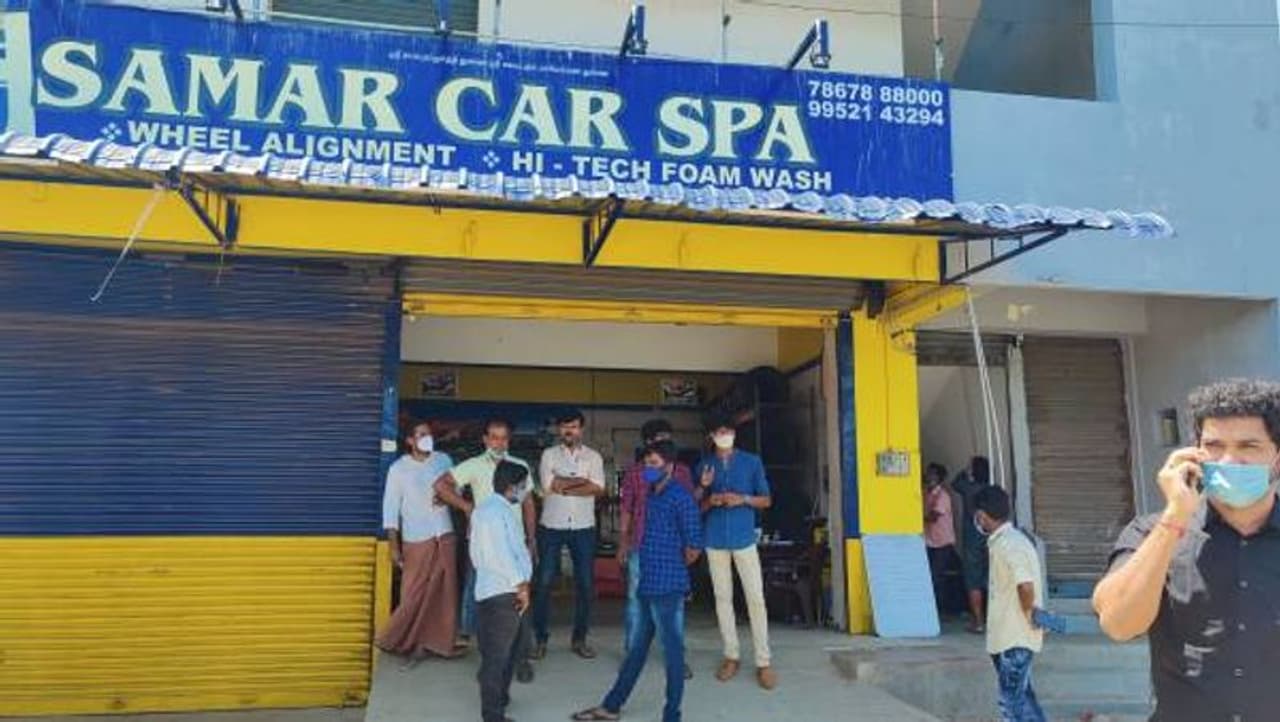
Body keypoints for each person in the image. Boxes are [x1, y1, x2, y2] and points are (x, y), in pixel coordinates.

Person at [1093, 379, 1280, 721]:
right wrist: (1175, 515)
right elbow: (1119, 624)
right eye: (1214, 446)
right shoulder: (1152, 533)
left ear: (1277, 458)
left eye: (1248, 446)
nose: (1229, 460)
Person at [572, 442, 704, 722]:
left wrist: (670, 565)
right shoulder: (652, 495)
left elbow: (693, 548)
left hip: (667, 586)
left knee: (673, 654)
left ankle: (672, 715)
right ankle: (611, 706)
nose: (648, 469)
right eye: (646, 464)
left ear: (670, 467)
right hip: (646, 581)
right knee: (637, 650)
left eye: (654, 464)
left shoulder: (681, 498)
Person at [435, 417, 537, 682]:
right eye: (493, 437)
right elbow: (441, 485)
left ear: (509, 440)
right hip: (485, 547)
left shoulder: (519, 466)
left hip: (515, 545)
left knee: (522, 601)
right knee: (486, 604)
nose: (498, 443)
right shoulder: (473, 465)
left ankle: (521, 659)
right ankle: (489, 660)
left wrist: (532, 538)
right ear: (485, 440)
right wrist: (466, 507)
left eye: (503, 438)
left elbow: (528, 504)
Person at [695, 415, 777, 690]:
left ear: (734, 433)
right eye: (719, 431)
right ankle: (731, 656)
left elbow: (766, 500)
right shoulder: (705, 465)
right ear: (711, 435)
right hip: (715, 537)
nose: (724, 435)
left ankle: (763, 661)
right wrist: (709, 496)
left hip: (744, 538)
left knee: (756, 598)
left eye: (727, 430)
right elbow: (695, 506)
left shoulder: (752, 462)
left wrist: (742, 499)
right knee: (722, 599)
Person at [376, 419, 463, 663]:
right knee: (413, 593)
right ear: (410, 441)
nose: (427, 438)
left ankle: (438, 643)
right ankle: (398, 639)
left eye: (429, 434)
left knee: (443, 592)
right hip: (416, 537)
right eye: (421, 435)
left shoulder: (443, 460)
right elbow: (390, 509)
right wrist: (394, 547)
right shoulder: (399, 469)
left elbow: (457, 491)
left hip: (443, 533)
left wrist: (448, 498)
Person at [618, 420, 697, 678]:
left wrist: (690, 543)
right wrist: (623, 541)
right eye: (659, 438)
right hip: (641, 545)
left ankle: (676, 657)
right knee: (636, 601)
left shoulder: (682, 472)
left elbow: (688, 507)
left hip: (672, 549)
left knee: (673, 605)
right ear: (648, 442)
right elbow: (627, 508)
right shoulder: (635, 472)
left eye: (668, 437)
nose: (665, 442)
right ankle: (632, 654)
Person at [531, 409, 606, 660]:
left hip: (584, 527)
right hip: (551, 526)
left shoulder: (593, 457)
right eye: (564, 427)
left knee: (585, 584)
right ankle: (540, 639)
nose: (568, 431)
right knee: (543, 583)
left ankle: (579, 639)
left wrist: (564, 485)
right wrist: (582, 482)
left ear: (581, 429)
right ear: (559, 430)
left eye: (573, 426)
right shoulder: (548, 454)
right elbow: (548, 485)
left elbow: (598, 488)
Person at [975, 485, 1047, 722]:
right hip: (1009, 637)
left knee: (1012, 705)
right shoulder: (1005, 541)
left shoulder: (1010, 544)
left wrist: (1029, 614)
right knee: (1024, 701)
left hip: (1014, 638)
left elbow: (1025, 586)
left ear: (982, 515)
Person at [470, 460, 535, 722]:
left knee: (509, 651)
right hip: (504, 591)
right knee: (497, 658)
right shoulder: (495, 513)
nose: (525, 490)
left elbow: (479, 554)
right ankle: (493, 715)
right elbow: (500, 554)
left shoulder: (489, 509)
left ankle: (500, 699)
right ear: (511, 486)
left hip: (497, 589)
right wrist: (520, 585)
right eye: (523, 485)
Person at [953, 456, 992, 633]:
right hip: (990, 539)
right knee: (991, 579)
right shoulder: (991, 489)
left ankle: (978, 622)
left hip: (972, 540)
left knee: (973, 581)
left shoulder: (968, 488)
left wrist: (965, 471)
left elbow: (955, 483)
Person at [923, 462, 959, 613]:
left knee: (936, 578)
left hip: (942, 543)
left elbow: (933, 517)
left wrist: (915, 518)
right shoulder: (926, 493)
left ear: (939, 477)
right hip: (929, 541)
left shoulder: (943, 496)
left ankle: (940, 610)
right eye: (928, 473)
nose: (929, 476)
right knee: (930, 577)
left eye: (933, 474)